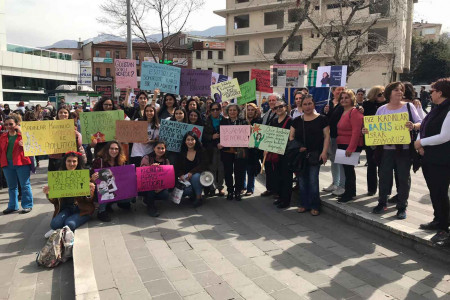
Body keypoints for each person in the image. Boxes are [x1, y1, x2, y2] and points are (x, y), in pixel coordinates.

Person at [364, 82, 421, 219]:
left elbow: (421, 123)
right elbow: (375, 128)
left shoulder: (409, 106)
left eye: (401, 90)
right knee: (384, 177)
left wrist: (413, 125)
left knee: (403, 178)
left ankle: (402, 206)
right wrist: (367, 130)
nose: (400, 92)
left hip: (404, 150)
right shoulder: (382, 109)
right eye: (396, 90)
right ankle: (382, 202)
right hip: (386, 150)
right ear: (389, 93)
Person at [414, 78, 450, 245]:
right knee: (434, 191)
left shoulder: (448, 109)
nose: (430, 94)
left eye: (432, 91)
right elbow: (424, 126)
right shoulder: (436, 109)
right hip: (430, 157)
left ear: (440, 93)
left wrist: (422, 142)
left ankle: (444, 228)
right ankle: (438, 220)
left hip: (442, 159)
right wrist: (420, 144)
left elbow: (445, 136)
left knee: (441, 193)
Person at [290, 97, 330, 216]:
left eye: (309, 104)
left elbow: (327, 136)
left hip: (315, 154)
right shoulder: (296, 120)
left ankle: (315, 205)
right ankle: (304, 204)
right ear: (301, 106)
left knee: (313, 180)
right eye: (305, 104)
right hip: (301, 155)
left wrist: (324, 152)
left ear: (314, 105)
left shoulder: (322, 119)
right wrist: (298, 147)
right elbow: (291, 136)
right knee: (302, 180)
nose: (307, 106)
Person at [43, 152, 95, 234]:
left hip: (82, 209)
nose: (71, 164)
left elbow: (89, 201)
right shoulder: (58, 176)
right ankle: (62, 228)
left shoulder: (83, 175)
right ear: (65, 162)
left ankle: (66, 227)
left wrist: (90, 191)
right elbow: (55, 201)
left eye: (74, 161)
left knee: (70, 224)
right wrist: (48, 193)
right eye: (69, 161)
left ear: (78, 163)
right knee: (54, 224)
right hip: (66, 209)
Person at [0, 115, 33, 214]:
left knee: (25, 185)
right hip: (7, 164)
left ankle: (27, 205)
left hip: (21, 163)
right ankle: (13, 206)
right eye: (6, 124)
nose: (9, 126)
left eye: (11, 124)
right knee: (12, 187)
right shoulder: (3, 136)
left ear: (16, 124)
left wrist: (25, 141)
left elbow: (34, 146)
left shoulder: (23, 135)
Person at [336, 90, 364, 203]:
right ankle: (350, 192)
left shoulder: (354, 112)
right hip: (343, 144)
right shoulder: (344, 111)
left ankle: (349, 194)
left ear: (352, 99)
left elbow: (356, 131)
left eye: (346, 97)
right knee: (347, 170)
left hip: (350, 145)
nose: (343, 100)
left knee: (349, 170)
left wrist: (351, 148)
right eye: (342, 98)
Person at [91, 141, 129, 222]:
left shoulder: (122, 161)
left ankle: (109, 204)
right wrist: (93, 178)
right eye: (112, 148)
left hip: (116, 188)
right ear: (107, 149)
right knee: (105, 189)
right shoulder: (99, 161)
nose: (114, 151)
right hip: (102, 190)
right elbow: (90, 178)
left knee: (130, 198)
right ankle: (101, 211)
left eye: (116, 149)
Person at [218, 104, 249, 201]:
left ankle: (238, 191)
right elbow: (220, 135)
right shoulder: (223, 122)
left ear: (238, 111)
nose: (232, 112)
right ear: (227, 112)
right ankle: (230, 190)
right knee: (228, 172)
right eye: (230, 110)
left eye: (234, 110)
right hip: (227, 151)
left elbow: (248, 136)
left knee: (239, 172)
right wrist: (218, 143)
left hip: (240, 151)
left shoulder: (244, 122)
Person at [363, 86, 388, 196]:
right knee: (371, 164)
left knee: (384, 166)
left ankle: (385, 191)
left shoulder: (388, 105)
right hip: (371, 138)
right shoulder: (367, 105)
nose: (382, 96)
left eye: (383, 93)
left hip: (385, 139)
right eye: (379, 94)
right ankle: (371, 189)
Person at [322, 86, 346, 196]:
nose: (340, 92)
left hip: (340, 136)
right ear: (333, 91)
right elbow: (327, 118)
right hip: (331, 136)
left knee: (340, 161)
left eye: (342, 90)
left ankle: (342, 185)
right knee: (333, 160)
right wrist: (325, 111)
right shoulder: (329, 103)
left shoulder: (344, 104)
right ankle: (335, 183)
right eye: (338, 90)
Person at [270, 101, 293, 208]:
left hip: (287, 153)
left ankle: (286, 200)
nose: (278, 109)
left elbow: (292, 137)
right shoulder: (274, 121)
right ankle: (280, 197)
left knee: (286, 177)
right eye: (276, 108)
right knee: (278, 176)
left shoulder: (291, 121)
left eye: (280, 107)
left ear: (285, 107)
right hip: (276, 153)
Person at [175, 132, 207, 207]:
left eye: (192, 139)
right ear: (185, 141)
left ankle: (199, 198)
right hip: (186, 178)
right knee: (185, 191)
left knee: (195, 177)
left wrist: (192, 172)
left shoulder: (201, 151)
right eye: (188, 140)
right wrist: (181, 175)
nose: (190, 142)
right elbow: (178, 167)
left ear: (196, 141)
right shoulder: (182, 153)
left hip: (199, 176)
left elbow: (204, 164)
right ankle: (193, 195)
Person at [140, 141, 171, 217]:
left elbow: (167, 177)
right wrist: (150, 168)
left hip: (159, 186)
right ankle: (151, 207)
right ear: (154, 148)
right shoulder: (147, 158)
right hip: (146, 185)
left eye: (162, 148)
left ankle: (147, 200)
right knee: (151, 187)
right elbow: (142, 172)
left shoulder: (166, 161)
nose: (160, 150)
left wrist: (161, 187)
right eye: (158, 148)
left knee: (165, 195)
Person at [48, 106, 82, 171]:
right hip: (55, 157)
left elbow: (79, 144)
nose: (63, 114)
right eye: (60, 112)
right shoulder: (50, 126)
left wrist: (77, 136)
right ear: (57, 114)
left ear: (68, 114)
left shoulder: (73, 127)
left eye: (65, 113)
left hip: (69, 158)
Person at [203, 102, 225, 197]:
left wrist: (222, 143)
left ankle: (220, 187)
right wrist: (211, 137)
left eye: (217, 109)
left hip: (223, 149)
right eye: (213, 109)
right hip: (211, 149)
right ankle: (211, 188)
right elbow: (203, 136)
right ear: (210, 110)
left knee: (221, 169)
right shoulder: (206, 121)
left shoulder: (224, 120)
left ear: (220, 110)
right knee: (211, 168)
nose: (215, 111)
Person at [260, 94, 279, 197]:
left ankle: (276, 189)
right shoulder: (267, 112)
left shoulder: (279, 112)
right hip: (266, 143)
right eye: (270, 100)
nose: (272, 102)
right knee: (267, 167)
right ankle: (269, 188)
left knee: (275, 167)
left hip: (275, 143)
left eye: (274, 100)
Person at [244, 103, 262, 196]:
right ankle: (242, 186)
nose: (250, 112)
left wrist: (252, 130)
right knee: (242, 168)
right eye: (248, 110)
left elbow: (260, 136)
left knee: (251, 169)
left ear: (255, 111)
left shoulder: (259, 121)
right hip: (243, 148)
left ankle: (250, 188)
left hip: (253, 150)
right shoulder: (242, 120)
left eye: (252, 110)